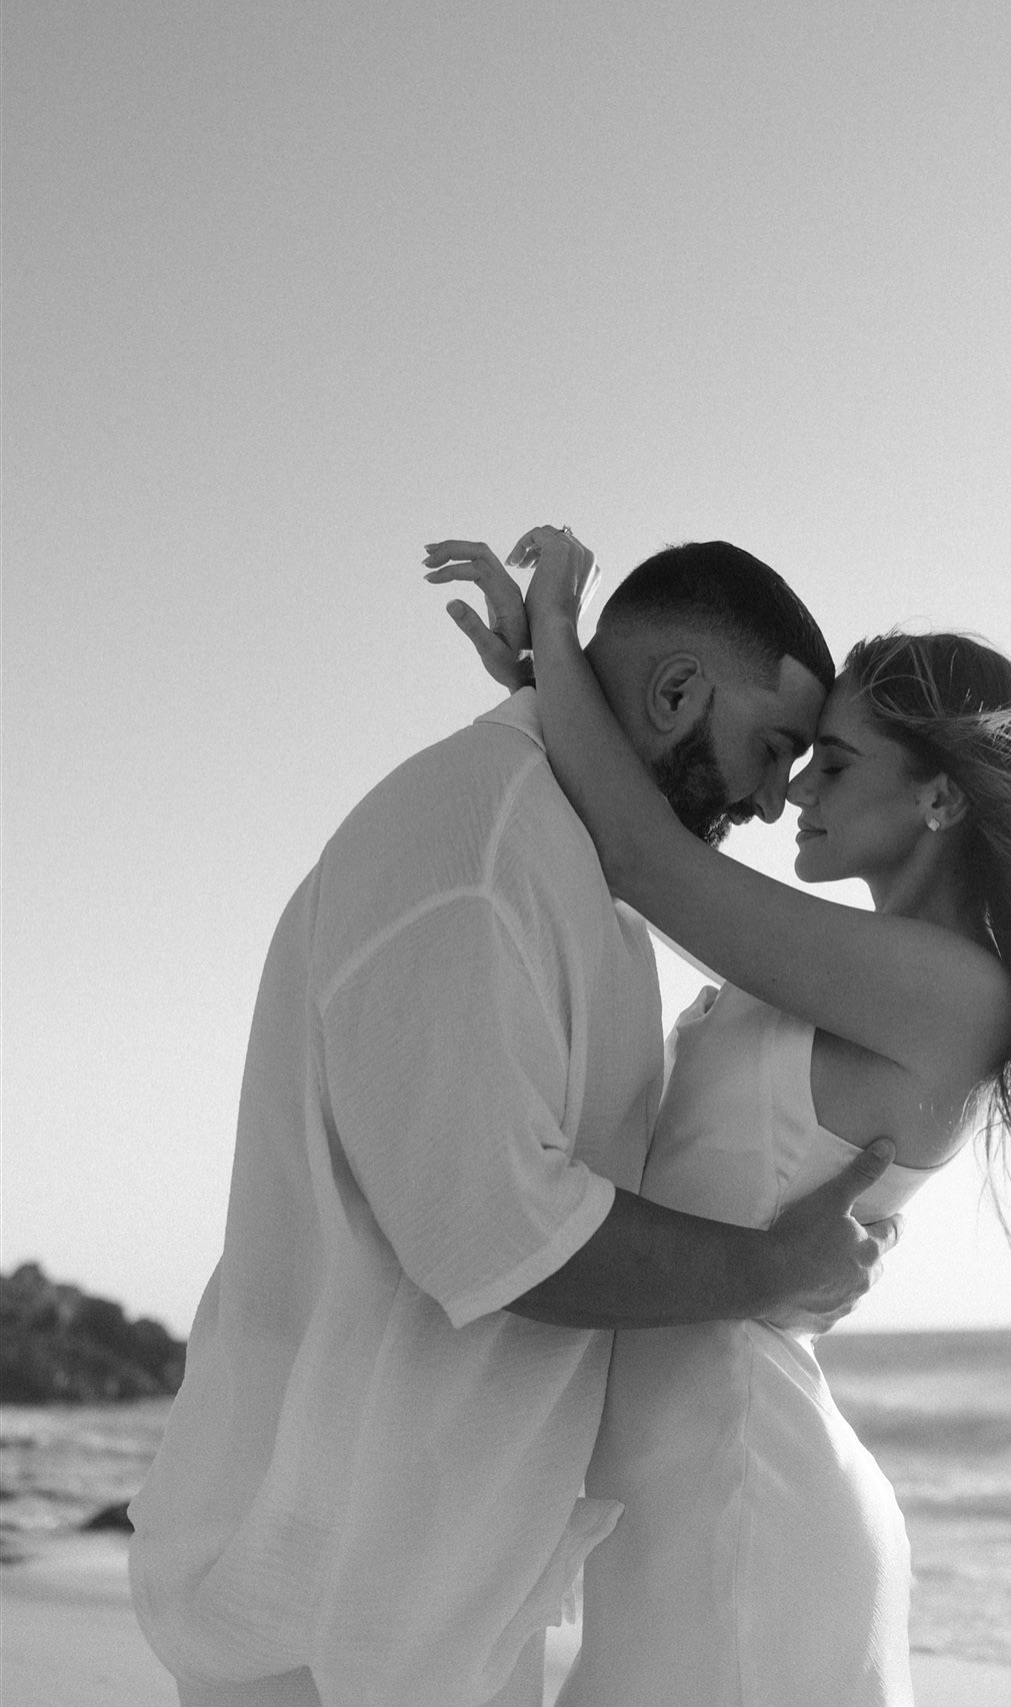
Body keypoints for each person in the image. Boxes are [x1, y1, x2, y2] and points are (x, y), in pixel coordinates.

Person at [431, 525, 1011, 1707]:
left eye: (832, 764)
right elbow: (636, 833)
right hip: (684, 1505)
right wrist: (567, 684)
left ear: (938, 793)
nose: (791, 785)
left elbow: (637, 853)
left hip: (742, 1509)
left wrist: (557, 638)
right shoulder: (851, 963)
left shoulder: (952, 987)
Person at [128, 536, 904, 1707]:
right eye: (773, 747)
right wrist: (767, 1267)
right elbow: (497, 1235)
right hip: (330, 1596)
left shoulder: (567, 860)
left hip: (448, 1575)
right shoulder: (472, 846)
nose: (769, 797)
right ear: (678, 692)